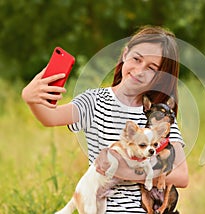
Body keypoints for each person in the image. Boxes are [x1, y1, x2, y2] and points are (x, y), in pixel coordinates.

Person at [22, 25, 189, 213]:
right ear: (125, 54)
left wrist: (128, 172)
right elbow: (50, 117)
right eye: (136, 59)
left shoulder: (160, 116)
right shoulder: (95, 101)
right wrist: (31, 99)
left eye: (151, 68)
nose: (139, 70)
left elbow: (182, 176)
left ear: (160, 76)